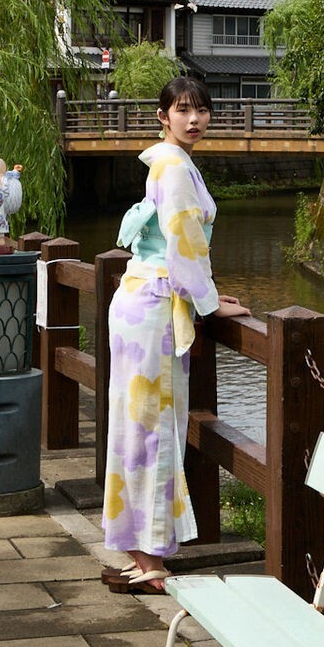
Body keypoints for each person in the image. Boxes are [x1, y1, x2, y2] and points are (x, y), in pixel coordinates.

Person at [101, 74, 247, 593]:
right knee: (156, 431)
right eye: (183, 110)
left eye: (201, 110)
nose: (194, 119)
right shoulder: (175, 167)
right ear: (163, 117)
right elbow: (185, 242)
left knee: (135, 428)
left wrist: (208, 294)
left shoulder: (167, 162)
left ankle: (139, 551)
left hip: (138, 300)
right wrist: (210, 304)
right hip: (156, 306)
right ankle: (152, 561)